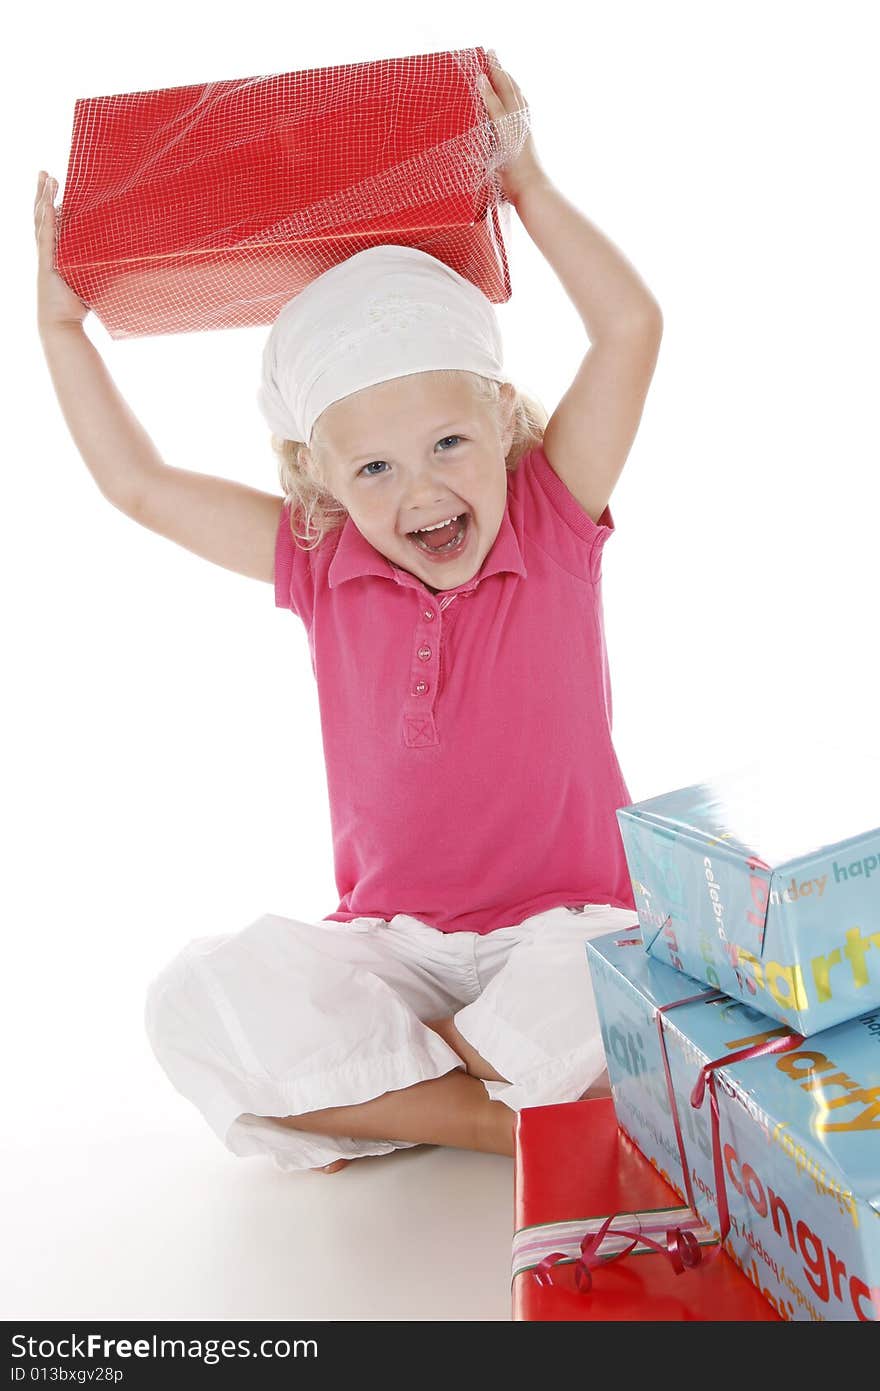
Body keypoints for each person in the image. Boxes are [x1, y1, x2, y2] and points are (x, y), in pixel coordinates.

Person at [34, 56, 662, 1176]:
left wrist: (527, 186)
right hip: (393, 951)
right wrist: (60, 334)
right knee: (194, 998)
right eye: (370, 466)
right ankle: (499, 1111)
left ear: (505, 421)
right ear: (314, 479)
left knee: (619, 970)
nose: (419, 488)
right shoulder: (318, 558)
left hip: (564, 925)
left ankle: (419, 1094)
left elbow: (629, 331)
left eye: (449, 445)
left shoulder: (550, 515)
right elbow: (137, 485)